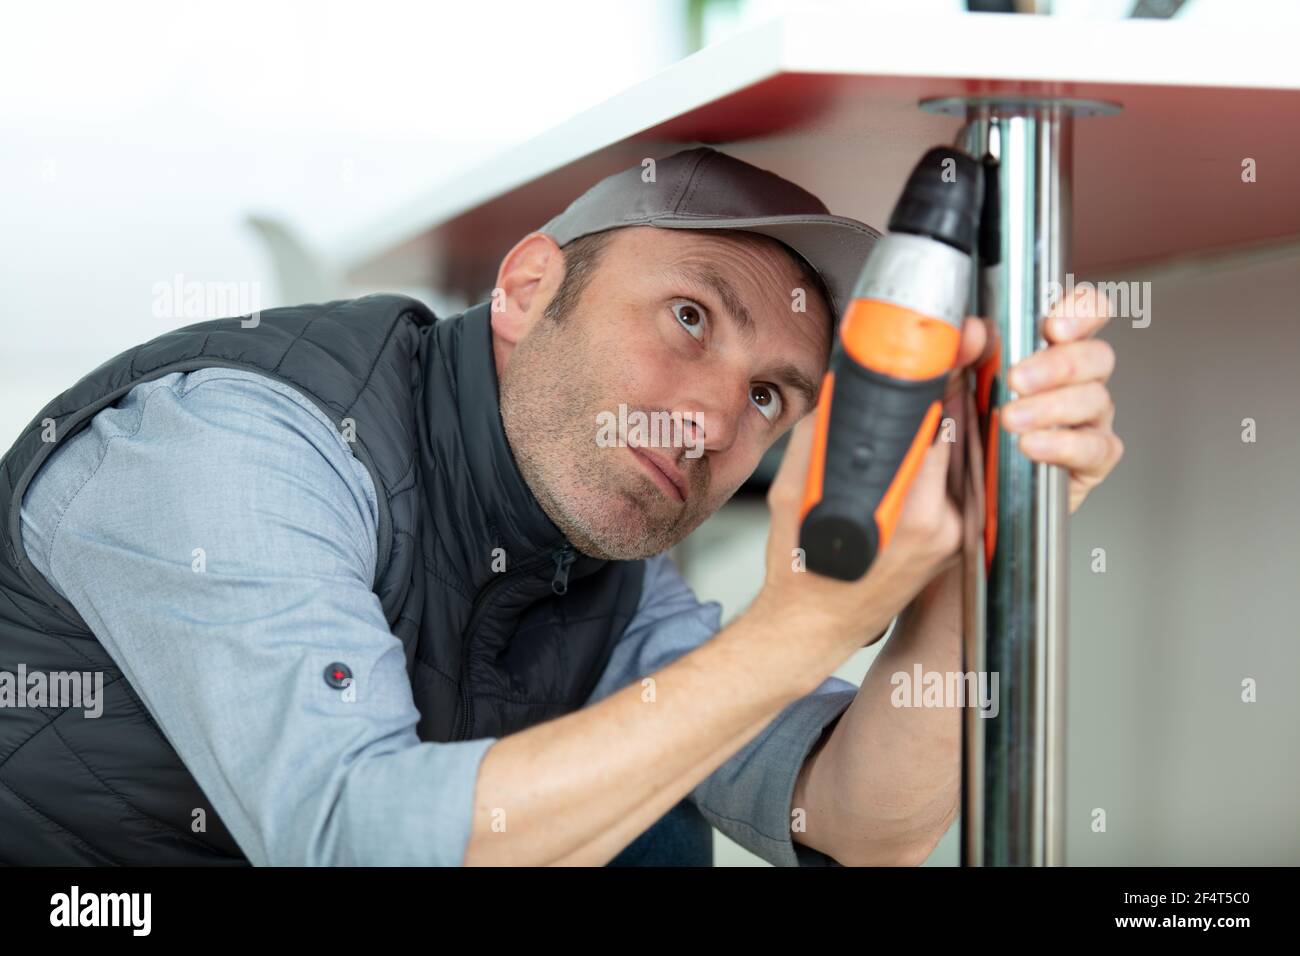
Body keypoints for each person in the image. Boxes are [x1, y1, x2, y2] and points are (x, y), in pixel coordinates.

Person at [0, 146, 1122, 865]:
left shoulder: (592, 554)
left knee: (653, 776)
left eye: (770, 392)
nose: (716, 419)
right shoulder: (236, 441)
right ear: (530, 287)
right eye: (689, 316)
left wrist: (988, 533)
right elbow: (348, 838)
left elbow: (855, 819)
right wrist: (802, 622)